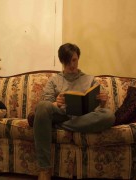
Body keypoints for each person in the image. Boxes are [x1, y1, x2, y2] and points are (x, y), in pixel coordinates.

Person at [33, 43, 115, 180]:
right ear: (62, 61)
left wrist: (102, 102)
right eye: (67, 61)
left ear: (78, 58)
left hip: (83, 117)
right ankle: (44, 169)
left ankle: (60, 125)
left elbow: (97, 110)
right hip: (61, 114)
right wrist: (55, 103)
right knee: (42, 106)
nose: (71, 65)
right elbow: (46, 104)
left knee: (109, 116)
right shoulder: (54, 81)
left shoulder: (90, 80)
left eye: (74, 60)